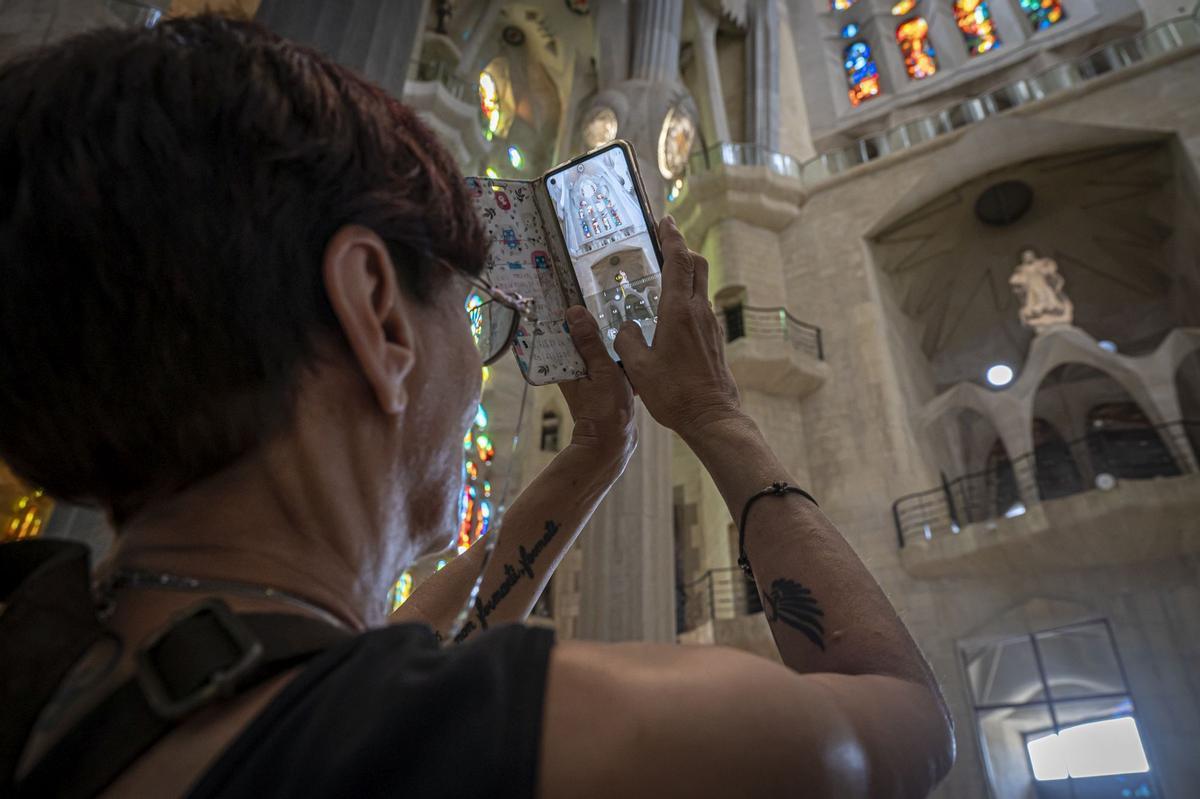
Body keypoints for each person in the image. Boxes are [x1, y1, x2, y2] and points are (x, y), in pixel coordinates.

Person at [0, 15, 953, 798]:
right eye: (468, 305)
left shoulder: (55, 656)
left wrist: (596, 452)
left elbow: (402, 653)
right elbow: (901, 717)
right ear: (377, 313)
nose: (482, 344)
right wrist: (717, 420)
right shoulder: (544, 736)